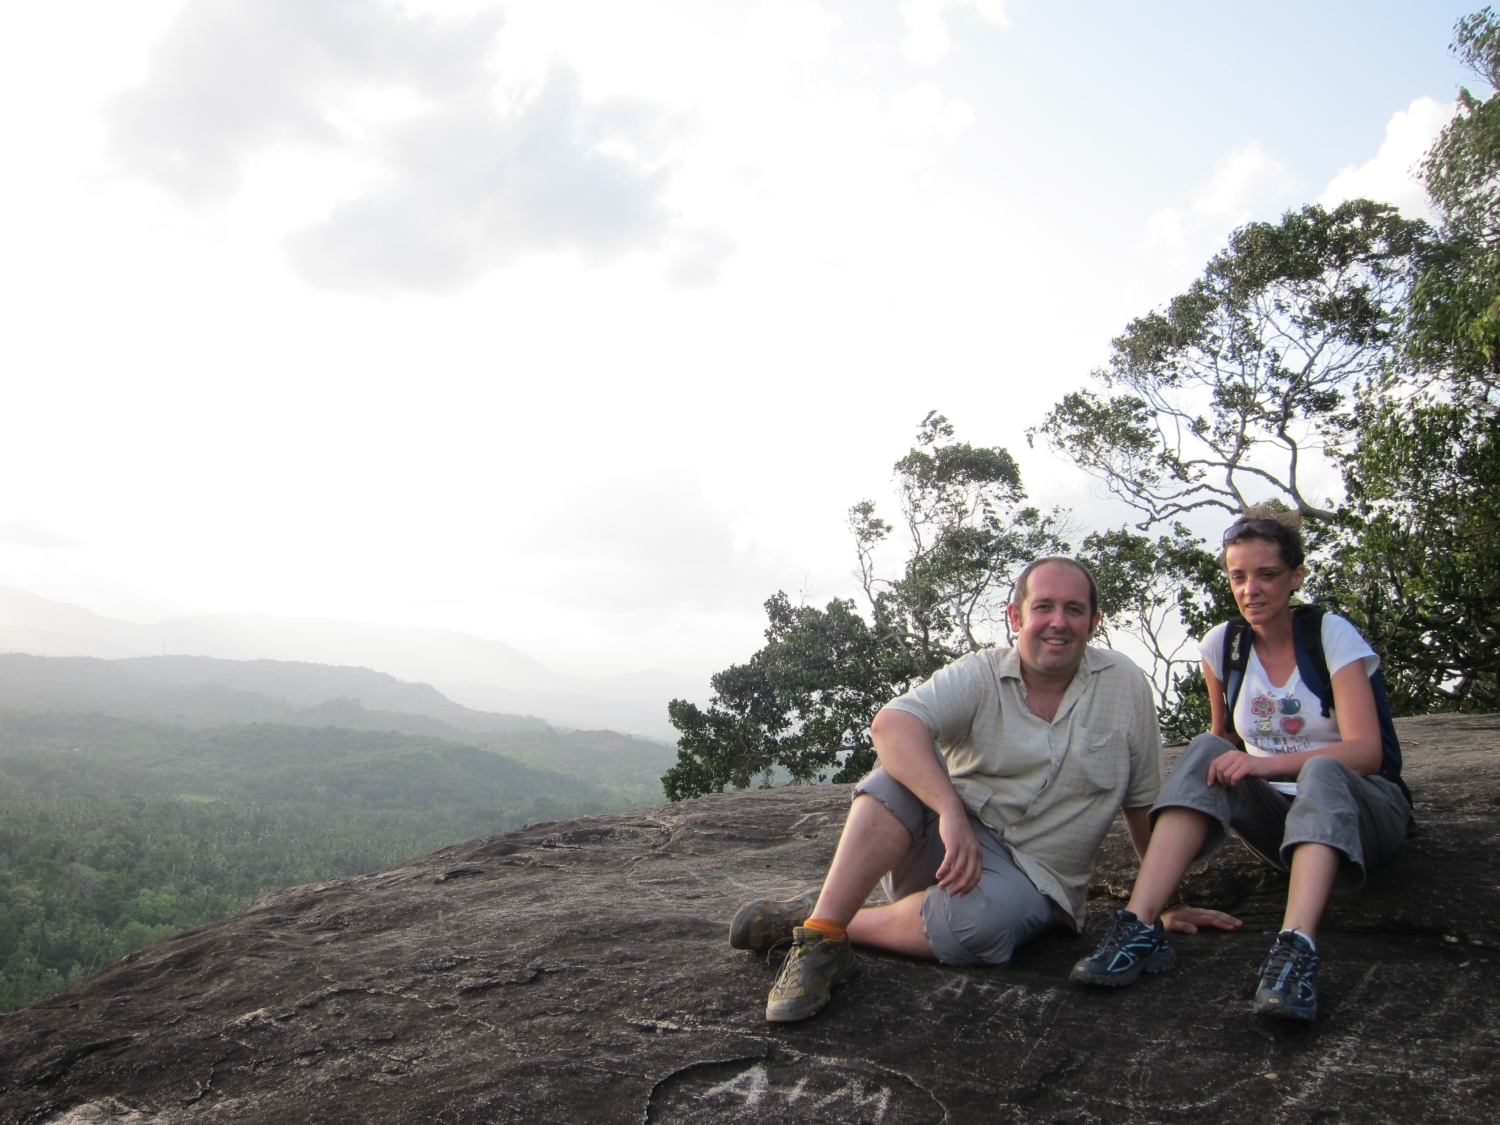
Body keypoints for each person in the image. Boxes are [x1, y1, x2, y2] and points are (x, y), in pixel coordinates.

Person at [729, 556, 1232, 1023]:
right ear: (1016, 616)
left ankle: (817, 918)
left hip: (1036, 877)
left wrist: (1168, 902)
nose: (1059, 621)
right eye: (1044, 607)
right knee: (890, 781)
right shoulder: (981, 673)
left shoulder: (1123, 683)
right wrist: (949, 810)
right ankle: (820, 942)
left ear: (1093, 622)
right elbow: (891, 725)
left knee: (982, 929)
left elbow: (1142, 803)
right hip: (950, 849)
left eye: (1074, 610)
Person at [1070, 507, 1414, 1021]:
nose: (1251, 589)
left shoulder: (1329, 636)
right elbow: (1223, 735)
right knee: (1208, 748)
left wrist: (1264, 765)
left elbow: (1367, 753)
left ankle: (1296, 949)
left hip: (1364, 816)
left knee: (1320, 770)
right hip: (1284, 824)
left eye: (1268, 574)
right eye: (1239, 576)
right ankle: (1140, 925)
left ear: (1296, 577)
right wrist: (1235, 765)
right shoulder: (1224, 646)